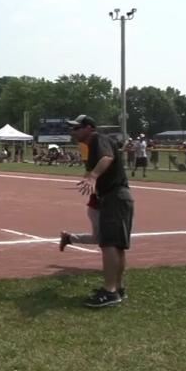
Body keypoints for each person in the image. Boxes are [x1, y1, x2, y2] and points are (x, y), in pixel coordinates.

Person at [65, 114, 134, 308]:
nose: (73, 131)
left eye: (77, 128)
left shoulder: (98, 139)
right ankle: (118, 289)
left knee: (110, 244)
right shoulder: (92, 145)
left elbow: (108, 157)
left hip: (115, 196)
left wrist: (93, 176)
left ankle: (110, 292)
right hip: (115, 197)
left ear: (88, 128)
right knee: (117, 245)